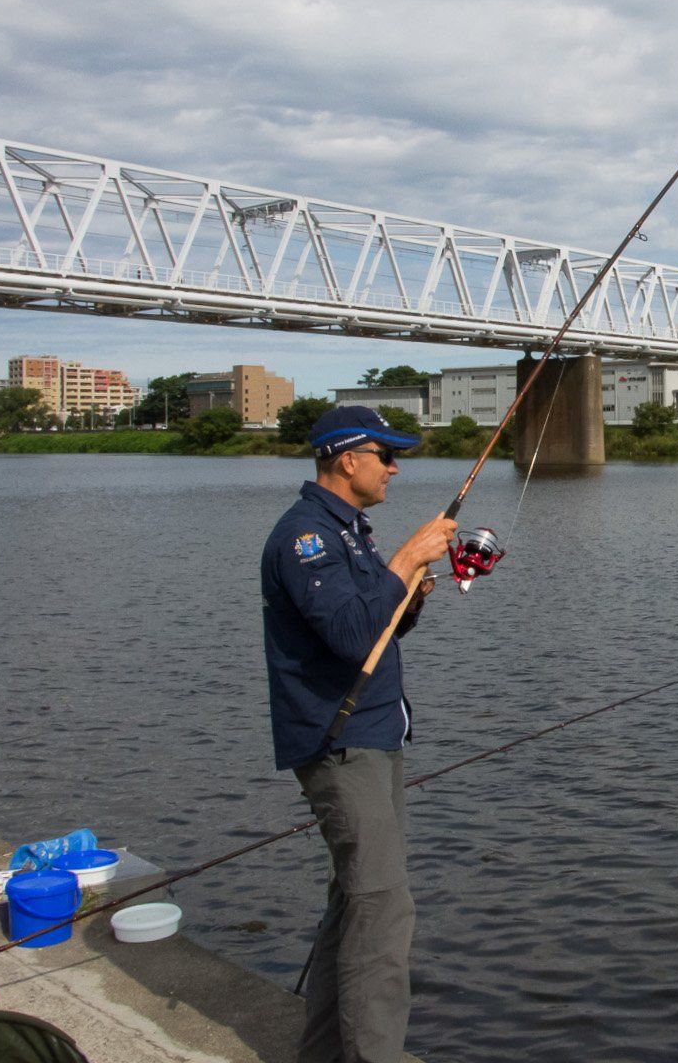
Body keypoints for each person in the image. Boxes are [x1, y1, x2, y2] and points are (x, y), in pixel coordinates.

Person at [262, 405, 457, 1063]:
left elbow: (374, 628)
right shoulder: (306, 538)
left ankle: (321, 1053)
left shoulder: (349, 531)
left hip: (375, 734)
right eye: (386, 455)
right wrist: (405, 558)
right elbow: (348, 635)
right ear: (348, 460)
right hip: (340, 745)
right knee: (383, 911)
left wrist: (411, 591)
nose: (395, 467)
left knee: (354, 904)